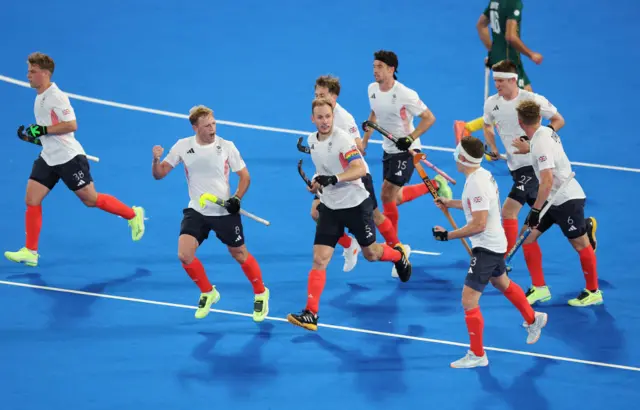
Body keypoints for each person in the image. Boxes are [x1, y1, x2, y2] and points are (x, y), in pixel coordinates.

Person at [5, 52, 145, 267]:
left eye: (32, 72)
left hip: (69, 158)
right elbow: (51, 135)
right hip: (49, 157)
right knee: (32, 199)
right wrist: (31, 137)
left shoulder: (56, 97)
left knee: (91, 200)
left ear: (44, 74)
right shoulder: (39, 97)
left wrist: (41, 129)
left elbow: (71, 125)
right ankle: (30, 251)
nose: (28, 75)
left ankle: (133, 214)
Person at [287, 98, 411, 331]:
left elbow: (360, 168)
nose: (324, 121)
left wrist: (335, 178)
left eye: (328, 116)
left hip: (356, 206)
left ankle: (398, 255)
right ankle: (311, 313)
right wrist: (316, 183)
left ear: (333, 117)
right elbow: (322, 170)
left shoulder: (342, 139)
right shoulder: (313, 141)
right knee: (319, 259)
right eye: (320, 117)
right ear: (312, 119)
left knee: (372, 254)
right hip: (330, 208)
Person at [431, 135, 547, 369]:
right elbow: (477, 206)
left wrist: (447, 235)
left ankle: (477, 354)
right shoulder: (480, 175)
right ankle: (534, 319)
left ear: (462, 158)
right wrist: (450, 202)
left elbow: (478, 224)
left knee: (469, 300)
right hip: (494, 243)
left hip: (486, 247)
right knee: (502, 282)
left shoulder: (475, 183)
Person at [151, 105, 270, 321]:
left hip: (224, 210)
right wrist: (156, 160)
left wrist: (236, 198)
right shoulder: (182, 146)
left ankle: (261, 292)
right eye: (207, 126)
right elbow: (159, 174)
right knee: (184, 255)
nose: (212, 129)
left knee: (239, 254)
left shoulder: (226, 146)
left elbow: (245, 177)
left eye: (214, 123)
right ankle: (208, 291)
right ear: (196, 127)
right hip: (197, 209)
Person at [480, 60, 597, 261]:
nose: (497, 85)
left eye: (500, 81)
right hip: (515, 167)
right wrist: (493, 147)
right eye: (495, 80)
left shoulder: (532, 100)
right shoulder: (491, 103)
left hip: (533, 167)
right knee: (549, 211)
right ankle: (582, 227)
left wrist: (537, 139)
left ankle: (502, 258)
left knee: (509, 211)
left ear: (512, 80)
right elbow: (487, 125)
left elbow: (558, 120)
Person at [301, 75, 405, 275]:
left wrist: (347, 146)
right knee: (316, 212)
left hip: (354, 176)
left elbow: (358, 146)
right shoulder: (321, 113)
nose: (317, 98)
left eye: (322, 95)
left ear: (334, 96)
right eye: (316, 95)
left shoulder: (344, 118)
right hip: (328, 175)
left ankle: (398, 248)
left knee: (375, 216)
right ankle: (350, 245)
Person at [514, 100, 603, 307]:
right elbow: (541, 153)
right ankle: (540, 288)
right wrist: (527, 149)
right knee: (527, 237)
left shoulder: (541, 143)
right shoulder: (543, 132)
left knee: (579, 244)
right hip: (551, 199)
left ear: (520, 122)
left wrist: (536, 210)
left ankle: (593, 291)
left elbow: (546, 181)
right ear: (540, 118)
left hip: (565, 199)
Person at [361, 50, 451, 242]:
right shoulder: (372, 89)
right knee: (395, 198)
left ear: (391, 69)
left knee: (386, 194)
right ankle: (434, 184)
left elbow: (429, 118)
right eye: (374, 67)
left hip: (407, 150)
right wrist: (365, 140)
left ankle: (394, 245)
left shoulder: (405, 94)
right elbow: (374, 115)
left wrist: (410, 138)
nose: (375, 71)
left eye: (380, 67)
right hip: (389, 149)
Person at [454, 0, 544, 141]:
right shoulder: (514, 3)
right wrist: (531, 54)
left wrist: (493, 51)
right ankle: (468, 127)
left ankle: (527, 143)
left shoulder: (495, 1)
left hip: (506, 58)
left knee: (528, 100)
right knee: (521, 106)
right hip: (510, 61)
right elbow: (510, 36)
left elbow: (481, 25)